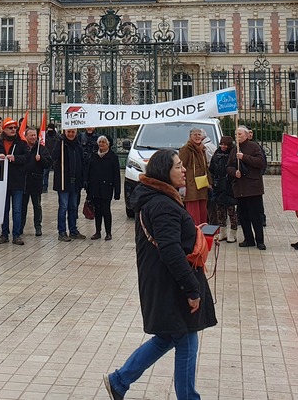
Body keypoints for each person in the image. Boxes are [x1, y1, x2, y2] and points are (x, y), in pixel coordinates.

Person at [104, 148, 217, 400]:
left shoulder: (159, 198)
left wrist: (195, 233)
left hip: (162, 280)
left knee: (166, 337)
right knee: (186, 342)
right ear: (164, 172)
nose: (183, 169)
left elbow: (171, 238)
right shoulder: (162, 203)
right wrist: (191, 289)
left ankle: (119, 380)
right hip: (171, 283)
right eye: (178, 166)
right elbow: (170, 250)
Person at [227, 125, 267, 249]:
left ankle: (259, 240)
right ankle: (248, 239)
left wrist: (244, 157)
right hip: (240, 188)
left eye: (239, 134)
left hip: (253, 188)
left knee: (256, 216)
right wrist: (234, 172)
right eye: (236, 134)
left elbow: (260, 162)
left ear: (246, 135)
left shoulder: (254, 147)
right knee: (243, 217)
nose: (237, 137)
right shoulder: (234, 150)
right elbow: (229, 166)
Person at [0, 117, 29, 245]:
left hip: (17, 180)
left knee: (17, 210)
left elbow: (27, 157)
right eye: (10, 128)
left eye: (15, 127)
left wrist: (15, 158)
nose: (13, 130)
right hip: (3, 182)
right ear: (4, 129)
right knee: (4, 209)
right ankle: (4, 234)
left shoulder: (21, 142)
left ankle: (17, 235)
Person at [52, 127, 85, 241]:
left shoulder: (78, 145)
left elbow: (82, 161)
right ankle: (62, 232)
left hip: (75, 181)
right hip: (63, 181)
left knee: (73, 207)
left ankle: (73, 230)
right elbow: (54, 157)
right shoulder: (61, 144)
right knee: (63, 207)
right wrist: (59, 142)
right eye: (69, 132)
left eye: (73, 132)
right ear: (65, 132)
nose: (71, 134)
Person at [85, 135, 120, 240]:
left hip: (106, 188)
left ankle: (108, 232)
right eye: (99, 142)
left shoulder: (113, 157)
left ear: (107, 144)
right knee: (97, 211)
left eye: (103, 142)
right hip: (95, 188)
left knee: (106, 210)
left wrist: (117, 191)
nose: (101, 144)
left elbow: (116, 175)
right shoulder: (94, 156)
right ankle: (98, 231)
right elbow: (89, 171)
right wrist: (87, 186)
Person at [22, 127, 51, 237]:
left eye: (35, 135)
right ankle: (20, 226)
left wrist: (41, 159)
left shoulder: (41, 148)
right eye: (31, 135)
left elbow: (49, 163)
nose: (33, 137)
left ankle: (38, 227)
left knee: (37, 206)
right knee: (22, 206)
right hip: (24, 181)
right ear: (26, 136)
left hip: (36, 181)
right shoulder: (23, 147)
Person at [208, 135, 237, 243]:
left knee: (231, 210)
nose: (223, 146)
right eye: (222, 144)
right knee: (220, 211)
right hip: (218, 185)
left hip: (229, 186)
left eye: (225, 144)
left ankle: (232, 233)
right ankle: (223, 232)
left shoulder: (233, 154)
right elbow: (211, 168)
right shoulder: (216, 153)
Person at [178, 128, 210, 226]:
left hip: (202, 184)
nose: (197, 137)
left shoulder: (202, 149)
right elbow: (181, 166)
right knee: (193, 213)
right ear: (190, 137)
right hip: (191, 185)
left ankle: (202, 234)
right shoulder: (186, 149)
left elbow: (206, 167)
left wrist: (210, 182)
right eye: (195, 135)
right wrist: (182, 184)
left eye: (199, 135)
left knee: (203, 213)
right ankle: (194, 234)